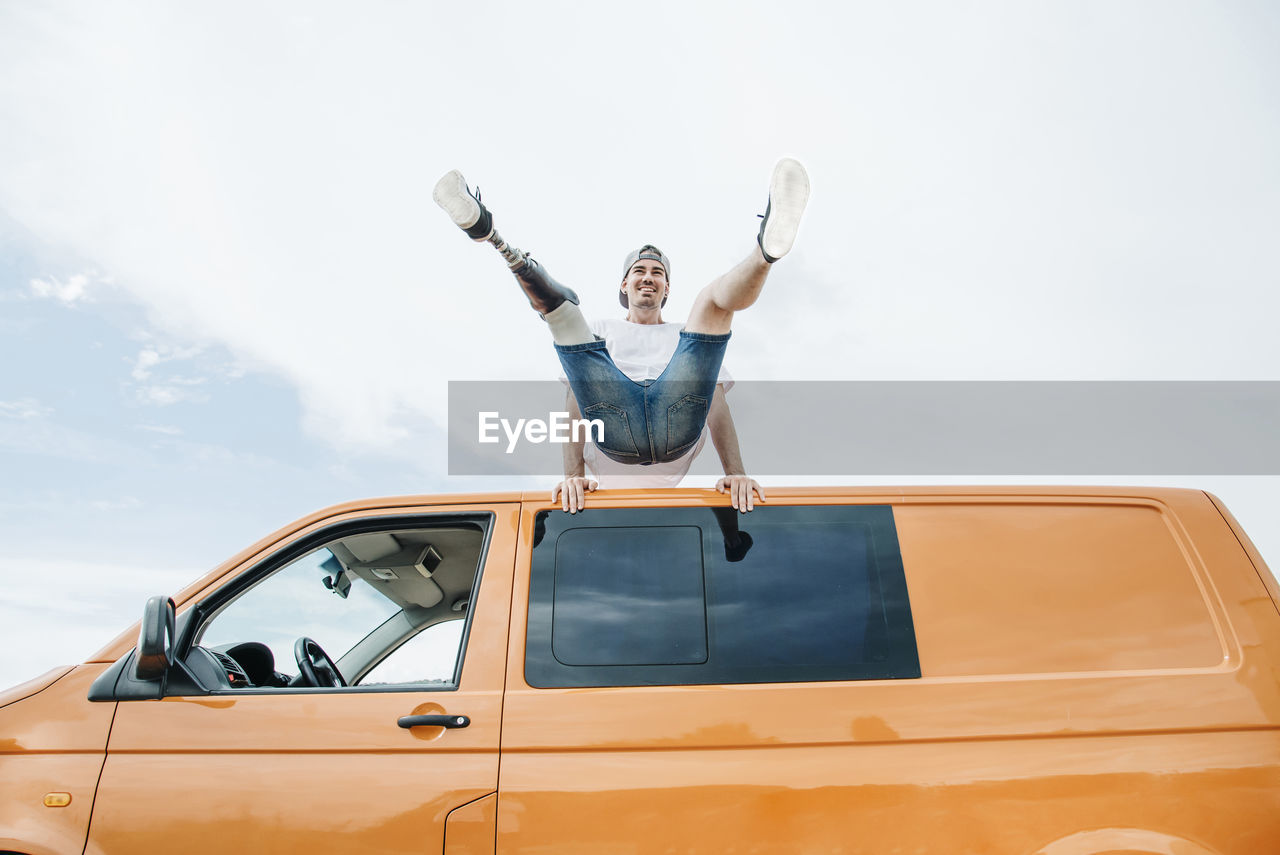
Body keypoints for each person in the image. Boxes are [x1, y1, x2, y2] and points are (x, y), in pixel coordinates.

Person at [433, 158, 809, 513]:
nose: (649, 276)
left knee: (709, 305)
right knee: (570, 322)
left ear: (665, 290)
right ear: (625, 284)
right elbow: (577, 404)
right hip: (616, 424)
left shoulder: (683, 335)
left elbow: (714, 405)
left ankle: (766, 251)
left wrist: (735, 474)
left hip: (675, 421)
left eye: (658, 273)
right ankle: (498, 242)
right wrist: (572, 478)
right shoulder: (603, 331)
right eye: (640, 271)